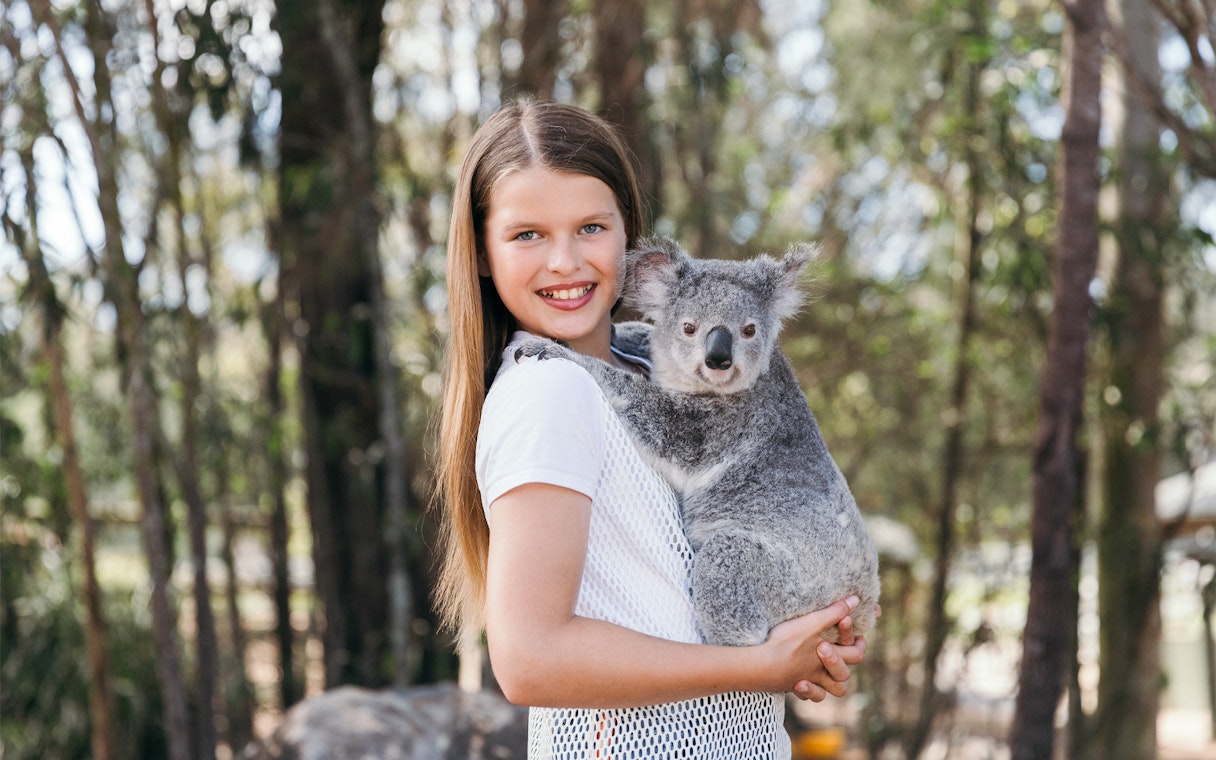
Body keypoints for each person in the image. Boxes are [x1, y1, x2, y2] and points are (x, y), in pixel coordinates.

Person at [434, 97, 868, 759]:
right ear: (483, 252)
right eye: (528, 235)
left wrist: (814, 625)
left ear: (631, 240)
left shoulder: (647, 362)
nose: (565, 262)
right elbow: (528, 660)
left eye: (590, 228)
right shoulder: (547, 388)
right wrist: (761, 667)